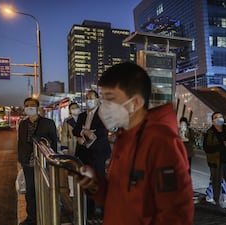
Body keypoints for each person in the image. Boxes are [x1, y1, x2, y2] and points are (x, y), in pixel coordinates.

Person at [75, 62, 194, 225]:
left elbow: (175, 214)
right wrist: (95, 184)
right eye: (103, 99)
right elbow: (120, 195)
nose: (104, 107)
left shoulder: (161, 142)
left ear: (135, 103)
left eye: (110, 99)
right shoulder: (125, 136)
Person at [17, 97, 58, 225]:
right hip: (27, 163)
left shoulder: (48, 123)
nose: (29, 107)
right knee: (30, 191)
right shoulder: (22, 124)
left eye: (32, 105)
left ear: (38, 108)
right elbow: (20, 143)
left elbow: (54, 143)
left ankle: (46, 215)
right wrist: (20, 159)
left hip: (43, 163)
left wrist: (52, 159)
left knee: (44, 190)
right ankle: (32, 218)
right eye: (27, 105)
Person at [73, 90, 111, 219]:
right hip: (84, 153)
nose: (89, 100)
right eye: (87, 97)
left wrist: (87, 135)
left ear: (97, 99)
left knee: (99, 180)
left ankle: (102, 211)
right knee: (87, 181)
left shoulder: (103, 114)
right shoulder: (83, 115)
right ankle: (89, 211)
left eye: (91, 98)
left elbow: (100, 132)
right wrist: (82, 134)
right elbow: (75, 130)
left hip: (98, 153)